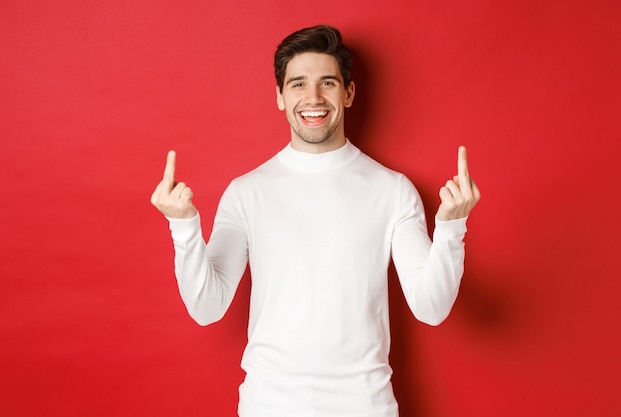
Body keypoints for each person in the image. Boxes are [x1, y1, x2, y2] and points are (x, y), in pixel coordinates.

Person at [151, 24, 480, 417]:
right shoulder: (246, 192)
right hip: (268, 406)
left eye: (327, 82)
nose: (312, 98)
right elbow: (207, 308)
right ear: (279, 96)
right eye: (297, 84)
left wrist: (451, 228)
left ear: (349, 93)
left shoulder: (392, 190)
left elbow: (432, 307)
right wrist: (184, 226)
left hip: (366, 407)